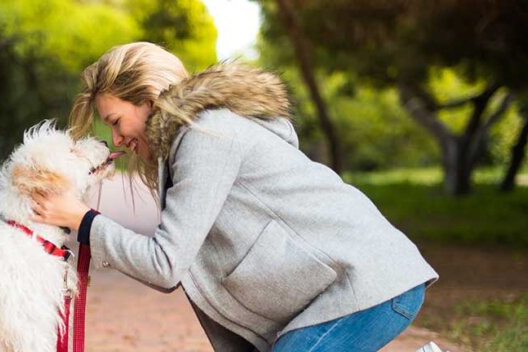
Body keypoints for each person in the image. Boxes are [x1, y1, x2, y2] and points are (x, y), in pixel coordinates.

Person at [30, 42, 438, 351]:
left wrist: (83, 220)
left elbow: (166, 265)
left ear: (150, 99)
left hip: (369, 285)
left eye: (116, 122)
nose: (116, 139)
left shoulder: (206, 136)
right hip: (348, 291)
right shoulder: (186, 146)